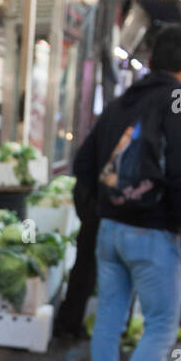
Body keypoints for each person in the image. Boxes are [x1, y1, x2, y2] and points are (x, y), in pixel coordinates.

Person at [89, 25, 181, 361]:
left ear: (151, 58)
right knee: (161, 325)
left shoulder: (125, 99)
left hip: (110, 229)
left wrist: (100, 212)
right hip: (152, 231)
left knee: (109, 320)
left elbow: (86, 161)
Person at [56, 120, 103, 338]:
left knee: (85, 265)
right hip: (103, 209)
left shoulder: (115, 114)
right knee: (91, 268)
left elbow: (81, 164)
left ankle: (69, 323)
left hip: (94, 205)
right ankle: (71, 324)